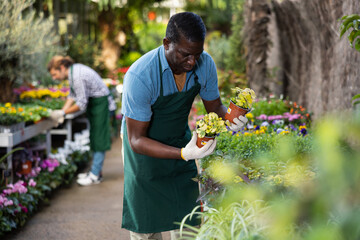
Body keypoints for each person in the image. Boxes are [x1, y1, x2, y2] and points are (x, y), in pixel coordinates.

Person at [121, 12, 248, 239]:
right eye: (185, 54)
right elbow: (136, 140)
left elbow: (215, 108)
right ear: (167, 44)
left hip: (181, 139)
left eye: (197, 55)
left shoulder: (204, 64)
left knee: (187, 220)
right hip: (143, 151)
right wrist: (183, 153)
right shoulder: (140, 76)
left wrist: (232, 119)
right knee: (146, 225)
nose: (192, 62)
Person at [47, 56, 116, 186]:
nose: (54, 78)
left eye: (54, 74)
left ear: (62, 68)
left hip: (101, 104)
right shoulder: (74, 72)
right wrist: (62, 111)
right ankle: (96, 172)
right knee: (95, 137)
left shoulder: (77, 75)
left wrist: (62, 113)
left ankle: (94, 175)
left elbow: (82, 103)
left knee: (99, 138)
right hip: (96, 104)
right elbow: (72, 95)